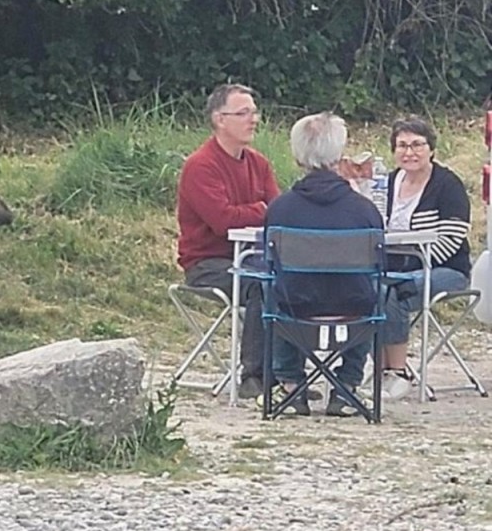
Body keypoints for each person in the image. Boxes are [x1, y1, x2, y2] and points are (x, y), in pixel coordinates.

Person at [264, 112, 384, 416]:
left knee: (270, 287)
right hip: (354, 310)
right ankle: (347, 386)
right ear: (340, 155)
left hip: (295, 310)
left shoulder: (280, 210)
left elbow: (269, 263)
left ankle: (290, 384)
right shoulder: (365, 211)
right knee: (377, 292)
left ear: (297, 156)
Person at [176, 83, 280, 399]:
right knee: (262, 284)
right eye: (243, 113)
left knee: (292, 278)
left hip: (254, 256)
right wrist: (260, 209)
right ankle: (254, 375)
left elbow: (277, 210)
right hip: (208, 263)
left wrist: (257, 211)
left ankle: (288, 373)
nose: (253, 119)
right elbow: (222, 221)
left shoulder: (259, 163)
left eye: (254, 112)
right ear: (220, 119)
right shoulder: (200, 165)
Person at [381, 117, 471, 400]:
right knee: (373, 287)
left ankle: (398, 372)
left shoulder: (448, 185)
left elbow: (451, 239)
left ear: (431, 149)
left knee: (395, 289)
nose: (410, 152)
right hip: (392, 268)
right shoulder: (388, 182)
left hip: (445, 269)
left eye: (417, 145)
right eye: (403, 146)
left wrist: (411, 264)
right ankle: (384, 371)